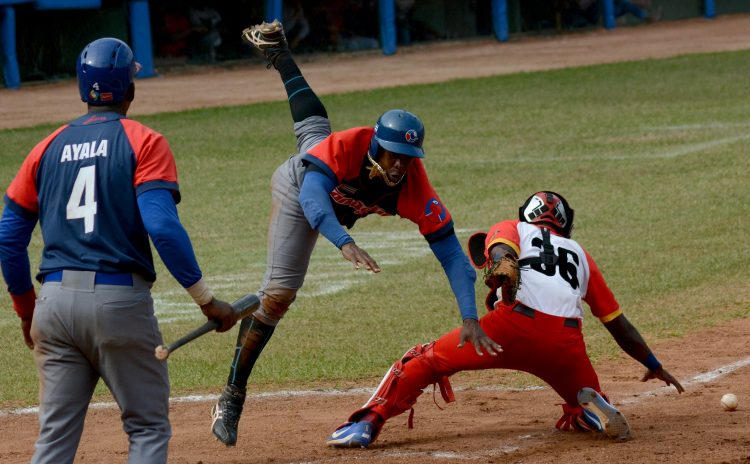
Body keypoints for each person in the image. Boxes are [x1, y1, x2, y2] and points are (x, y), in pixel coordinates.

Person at [208, 20, 500, 447]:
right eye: (395, 155)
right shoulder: (347, 150)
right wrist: (345, 243)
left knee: (313, 128)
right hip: (300, 188)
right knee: (278, 296)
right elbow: (313, 200)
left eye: (409, 156)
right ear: (377, 146)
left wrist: (470, 317)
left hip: (333, 190)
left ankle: (279, 52)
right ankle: (232, 395)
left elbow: (453, 256)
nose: (401, 165)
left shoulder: (414, 186)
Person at [0, 37, 239, 463]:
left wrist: (26, 311)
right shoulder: (144, 142)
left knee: (53, 440)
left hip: (53, 308)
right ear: (131, 88)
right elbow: (162, 227)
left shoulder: (45, 147)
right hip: (118, 306)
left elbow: (9, 238)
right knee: (147, 428)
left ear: (81, 87)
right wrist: (206, 301)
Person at [326, 191, 685, 448]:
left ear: (527, 215)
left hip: (510, 328)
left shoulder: (514, 226)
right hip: (566, 344)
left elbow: (501, 248)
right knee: (581, 397)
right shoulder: (580, 254)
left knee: (424, 360)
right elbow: (618, 324)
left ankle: (367, 423)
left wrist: (504, 264)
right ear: (565, 226)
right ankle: (588, 408)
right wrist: (652, 363)